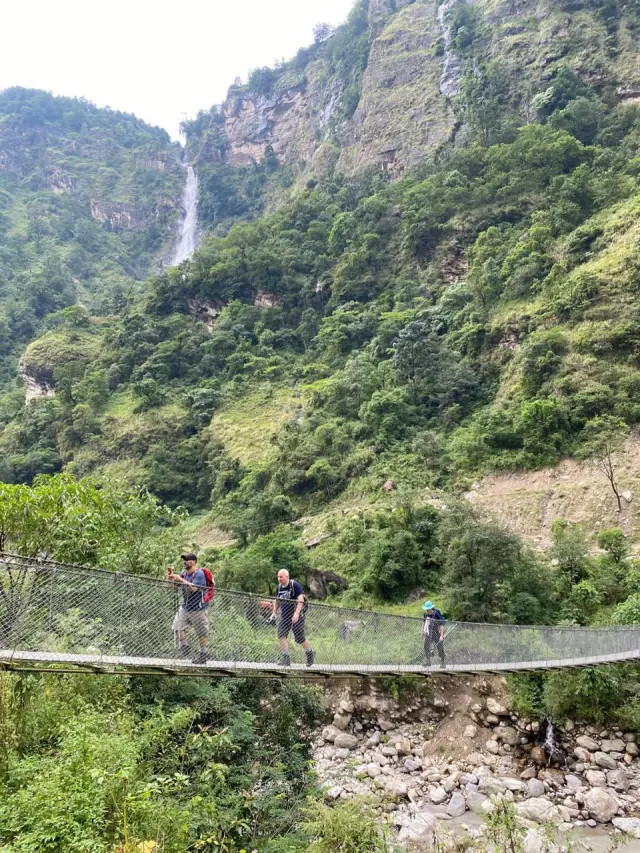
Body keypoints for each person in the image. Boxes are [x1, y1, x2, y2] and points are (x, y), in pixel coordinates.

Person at [167, 553, 209, 665]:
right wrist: (171, 577)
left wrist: (180, 579)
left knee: (201, 632)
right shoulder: (184, 573)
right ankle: (185, 647)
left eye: (187, 560)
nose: (184, 562)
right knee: (177, 626)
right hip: (185, 606)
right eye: (183, 560)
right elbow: (173, 588)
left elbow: (194, 588)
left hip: (198, 608)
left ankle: (203, 655)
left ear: (194, 562)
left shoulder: (199, 574)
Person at [272, 569, 315, 667]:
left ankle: (310, 653)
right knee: (281, 635)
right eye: (278, 577)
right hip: (285, 616)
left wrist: (296, 614)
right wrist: (274, 613)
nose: (279, 579)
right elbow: (277, 601)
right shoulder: (279, 588)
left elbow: (300, 600)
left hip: (297, 616)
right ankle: (286, 659)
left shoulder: (294, 585)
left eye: (281, 577)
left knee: (299, 638)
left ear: (287, 577)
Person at [422, 600, 445, 668]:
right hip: (429, 631)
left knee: (440, 646)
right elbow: (424, 622)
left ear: (431, 608)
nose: (427, 611)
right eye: (426, 609)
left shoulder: (436, 613)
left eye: (428, 609)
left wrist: (441, 636)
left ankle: (443, 662)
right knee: (426, 645)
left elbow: (441, 625)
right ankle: (428, 661)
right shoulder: (425, 614)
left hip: (436, 631)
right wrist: (422, 632)